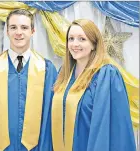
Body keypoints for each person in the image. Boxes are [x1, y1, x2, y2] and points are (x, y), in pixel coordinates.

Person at [0, 9, 57, 151]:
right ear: (7, 31)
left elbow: (49, 120)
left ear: (32, 31)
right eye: (13, 27)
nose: (18, 32)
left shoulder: (46, 69)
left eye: (24, 27)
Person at [52, 19, 136, 151]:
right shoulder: (64, 74)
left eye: (82, 39)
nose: (75, 44)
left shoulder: (106, 75)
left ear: (94, 44)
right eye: (71, 38)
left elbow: (112, 128)